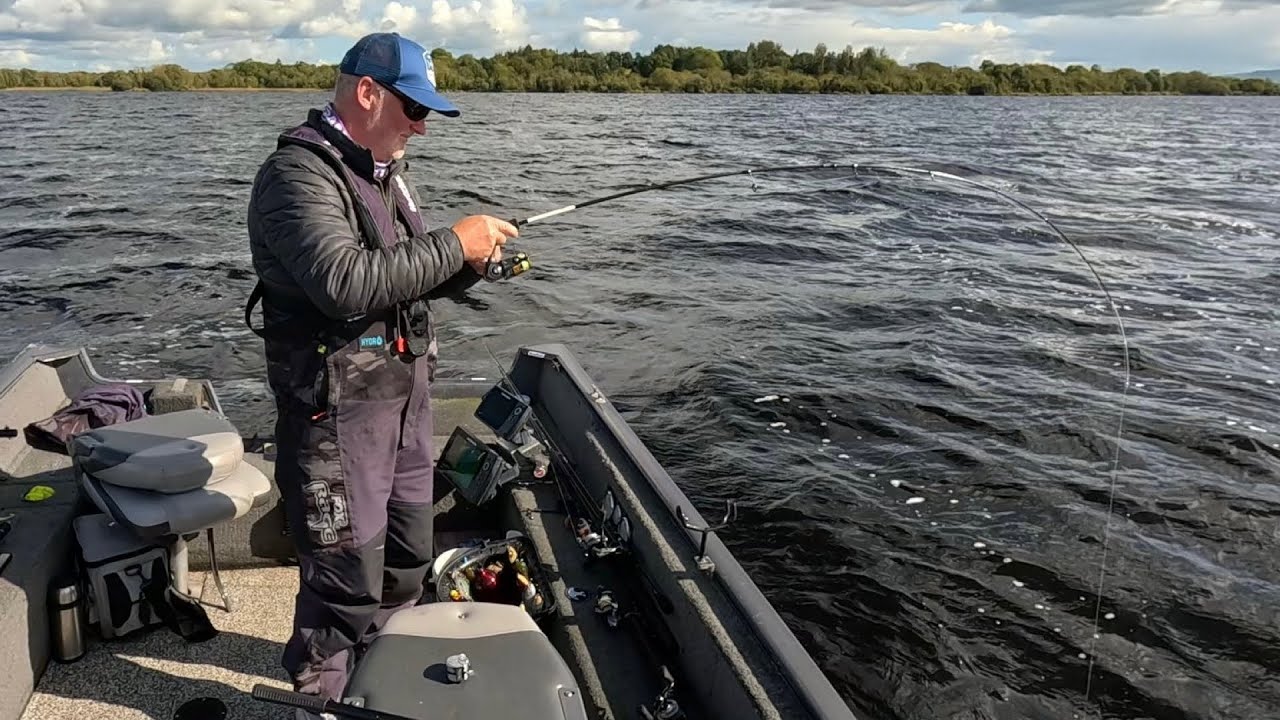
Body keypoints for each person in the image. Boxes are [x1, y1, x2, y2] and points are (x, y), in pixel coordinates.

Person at [243, 31, 518, 708]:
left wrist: (465, 269)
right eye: (414, 110)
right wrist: (456, 241)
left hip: (403, 402)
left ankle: (385, 679)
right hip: (336, 418)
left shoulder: (385, 173)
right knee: (345, 577)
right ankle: (326, 695)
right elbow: (342, 282)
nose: (421, 129)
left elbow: (399, 280)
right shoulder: (295, 177)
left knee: (405, 558)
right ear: (367, 93)